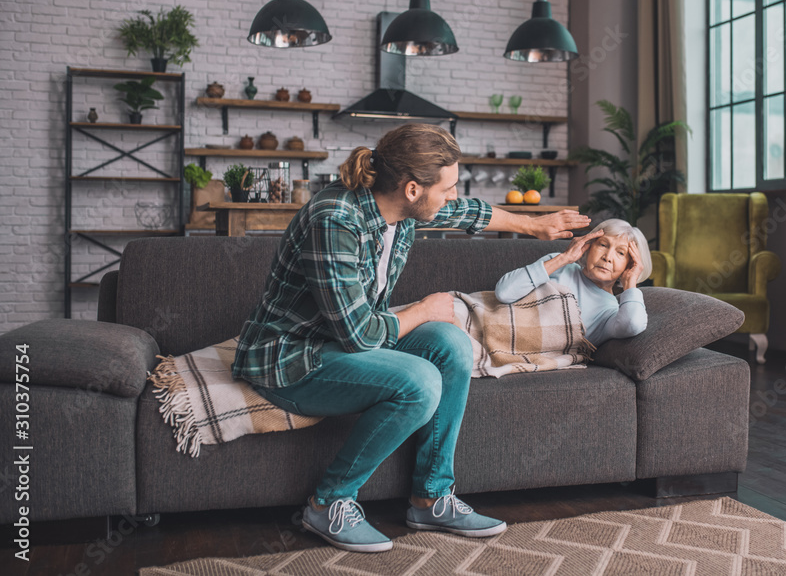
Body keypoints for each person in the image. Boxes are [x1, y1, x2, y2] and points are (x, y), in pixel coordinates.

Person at [231, 123, 589, 553]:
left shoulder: (399, 208)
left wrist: (536, 226)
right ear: (414, 188)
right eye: (449, 187)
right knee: (420, 382)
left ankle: (431, 498)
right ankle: (328, 503)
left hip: (338, 345)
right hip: (290, 358)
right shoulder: (335, 221)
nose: (453, 195)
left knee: (452, 343)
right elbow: (360, 335)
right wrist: (421, 310)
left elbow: (469, 212)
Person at [494, 219, 651, 346]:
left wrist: (630, 283)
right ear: (589, 246)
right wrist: (564, 258)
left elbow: (633, 324)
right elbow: (504, 292)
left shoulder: (610, 311)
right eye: (603, 245)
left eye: (620, 253)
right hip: (492, 321)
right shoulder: (559, 265)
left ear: (629, 265)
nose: (608, 257)